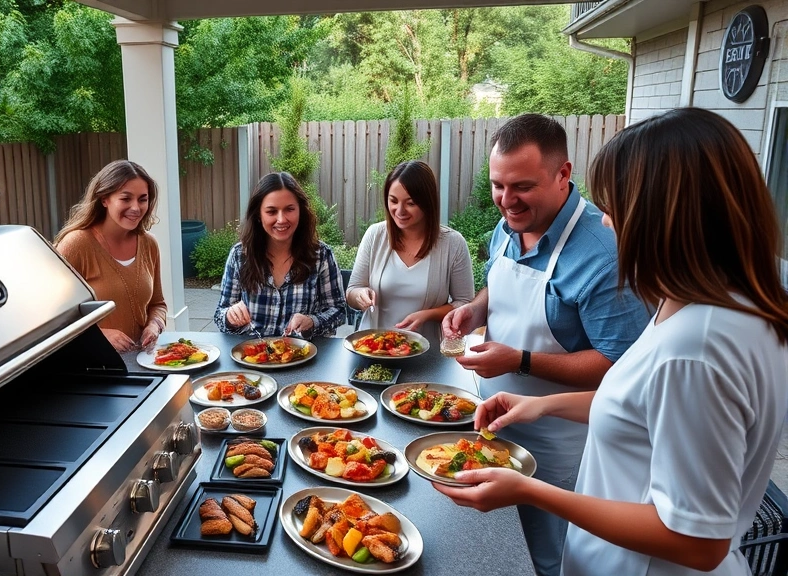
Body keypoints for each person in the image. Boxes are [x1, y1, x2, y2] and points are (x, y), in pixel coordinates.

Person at [436, 107, 788, 576]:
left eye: (620, 206)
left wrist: (529, 489)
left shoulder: (696, 351)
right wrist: (542, 405)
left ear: (668, 213)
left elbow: (698, 541)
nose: (607, 223)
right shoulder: (716, 304)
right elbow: (644, 406)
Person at [440, 114, 651, 576]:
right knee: (487, 552)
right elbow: (497, 285)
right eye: (498, 185)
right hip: (490, 422)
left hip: (560, 447)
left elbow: (620, 367)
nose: (506, 201)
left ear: (563, 174)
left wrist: (520, 360)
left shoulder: (604, 252)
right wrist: (474, 311)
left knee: (545, 559)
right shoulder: (507, 226)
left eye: (521, 187)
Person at [346, 160, 474, 344]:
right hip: (372, 347)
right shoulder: (375, 235)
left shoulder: (453, 243)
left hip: (425, 352)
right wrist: (360, 296)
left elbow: (465, 303)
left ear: (427, 202)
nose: (400, 211)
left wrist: (428, 315)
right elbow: (352, 291)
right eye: (393, 201)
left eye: (410, 203)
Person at [214, 172, 345, 337]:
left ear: (300, 211)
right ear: (259, 216)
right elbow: (220, 314)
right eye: (271, 211)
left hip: (304, 357)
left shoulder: (321, 256)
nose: (281, 219)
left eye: (289, 209)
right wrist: (229, 316)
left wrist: (312, 321)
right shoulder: (240, 255)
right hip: (251, 358)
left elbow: (339, 311)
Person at [55, 160, 167, 353]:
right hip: (94, 365)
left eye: (143, 199)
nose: (136, 207)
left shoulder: (149, 244)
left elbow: (157, 303)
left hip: (141, 363)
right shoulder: (76, 244)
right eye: (126, 198)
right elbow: (54, 317)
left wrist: (154, 325)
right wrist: (99, 334)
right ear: (104, 199)